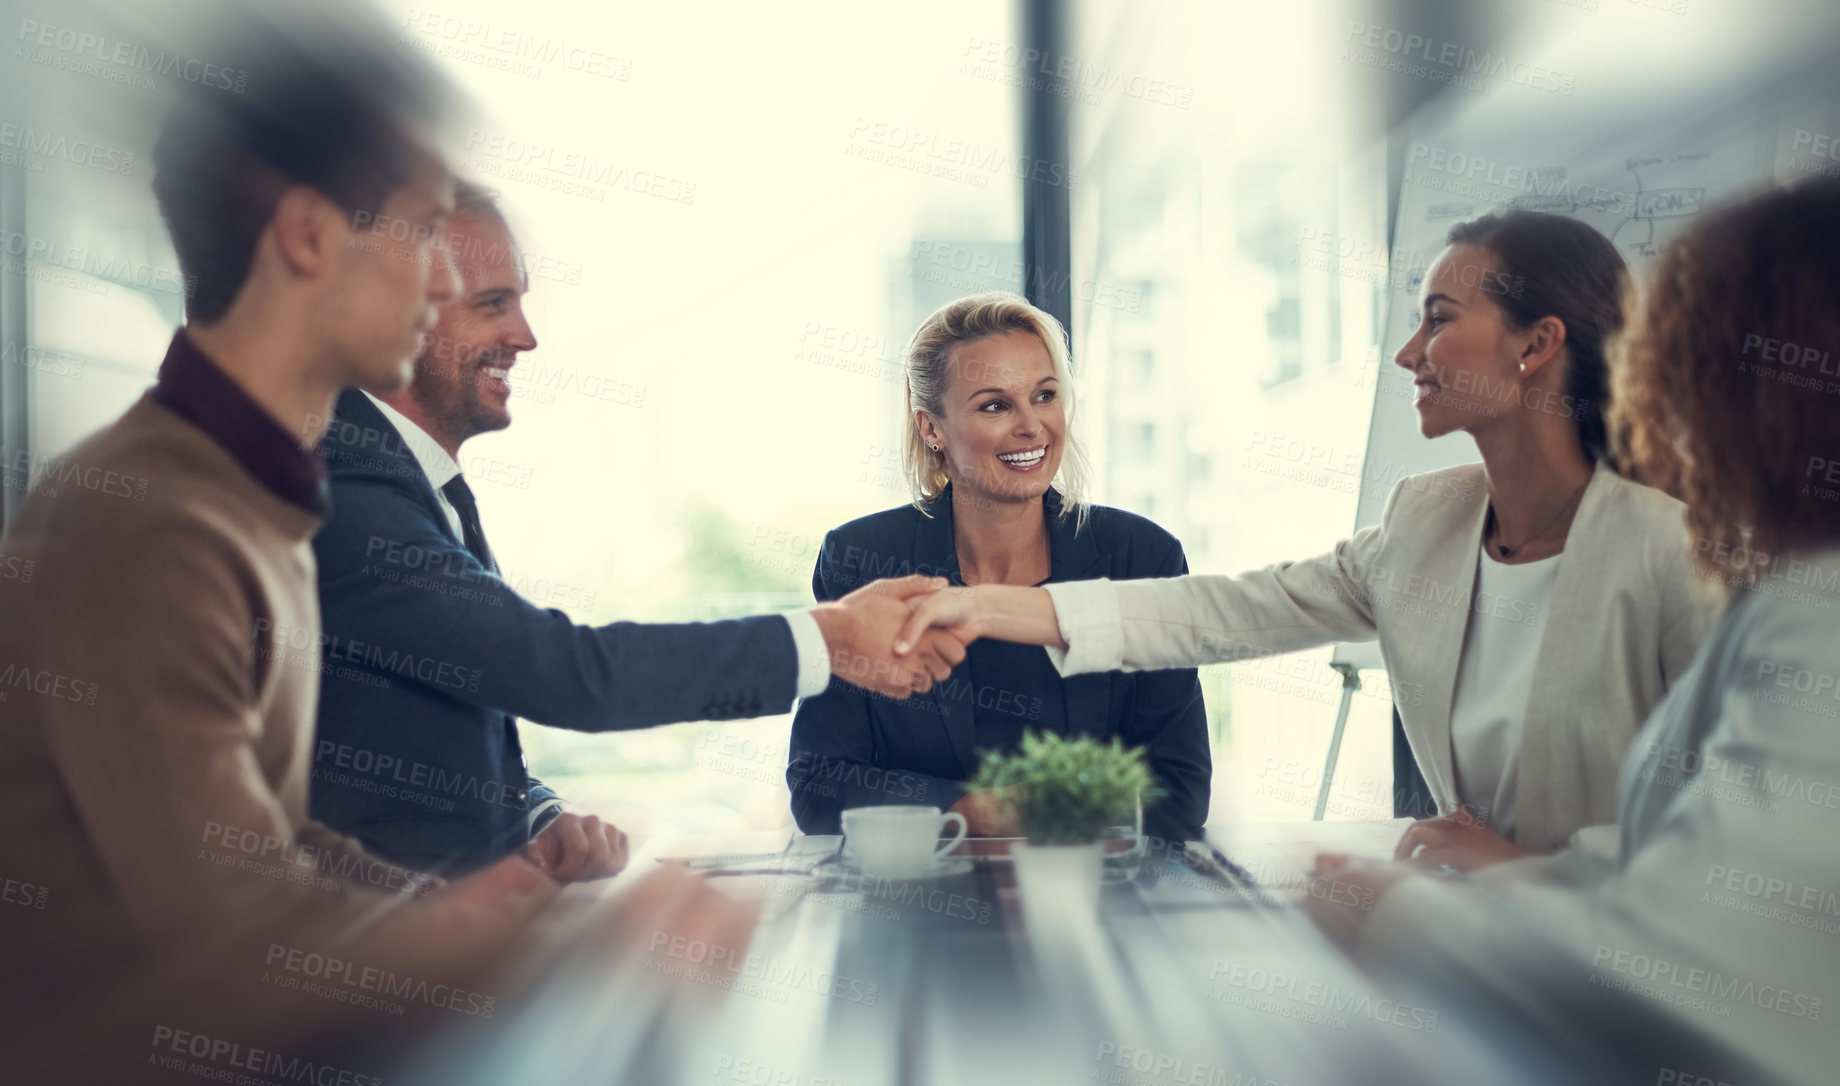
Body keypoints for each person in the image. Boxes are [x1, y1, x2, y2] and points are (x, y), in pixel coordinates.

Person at [0, 7, 767, 1079]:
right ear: (310, 234)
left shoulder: (252, 498)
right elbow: (244, 955)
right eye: (419, 231)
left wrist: (530, 912)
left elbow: (285, 855)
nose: (444, 285)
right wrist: (579, 942)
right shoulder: (149, 525)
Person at [892, 211, 1720, 866]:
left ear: (1537, 345)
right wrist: (980, 607)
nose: (1407, 354)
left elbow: (1729, 833)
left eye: (1437, 320)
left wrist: (1514, 871)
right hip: (1475, 941)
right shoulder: (1427, 522)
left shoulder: (1672, 550)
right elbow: (1224, 611)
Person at [1302, 177, 1840, 1086]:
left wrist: (1398, 915)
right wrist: (1512, 876)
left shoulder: (1806, 610)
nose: (1665, 409)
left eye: (1690, 367)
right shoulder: (1792, 592)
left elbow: (1696, 968)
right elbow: (1682, 859)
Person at [311, 182, 966, 877]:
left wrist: (536, 815)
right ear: (398, 311)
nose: (525, 337)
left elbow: (441, 710)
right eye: (492, 304)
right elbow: (560, 671)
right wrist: (828, 637)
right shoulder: (345, 485)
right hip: (381, 955)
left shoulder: (416, 483)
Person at [788, 292, 1211, 843]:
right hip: (919, 902)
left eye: (1045, 395)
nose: (1032, 426)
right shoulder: (862, 560)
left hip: (1096, 895)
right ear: (931, 428)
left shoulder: (1141, 558)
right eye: (995, 405)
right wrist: (966, 810)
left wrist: (1054, 820)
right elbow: (820, 784)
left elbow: (1179, 792)